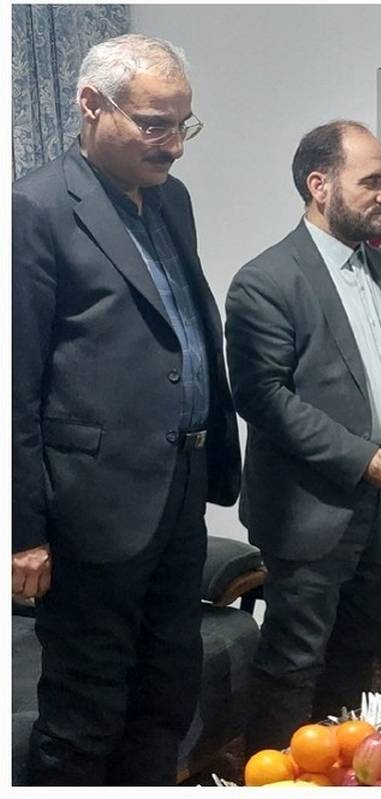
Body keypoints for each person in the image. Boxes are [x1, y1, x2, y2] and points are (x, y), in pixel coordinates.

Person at [11, 34, 242, 785]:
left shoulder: (173, 200)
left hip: (179, 486)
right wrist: (24, 532)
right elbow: (15, 385)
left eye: (183, 124)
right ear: (90, 105)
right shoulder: (34, 209)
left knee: (169, 691)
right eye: (153, 124)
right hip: (89, 505)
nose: (174, 145)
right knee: (86, 709)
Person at [225, 120, 381, 752]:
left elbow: (376, 367)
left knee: (359, 652)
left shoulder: (379, 268)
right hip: (310, 506)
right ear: (319, 185)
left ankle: (343, 772)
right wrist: (361, 457)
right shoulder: (267, 280)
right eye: (371, 181)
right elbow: (262, 397)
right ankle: (276, 778)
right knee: (294, 662)